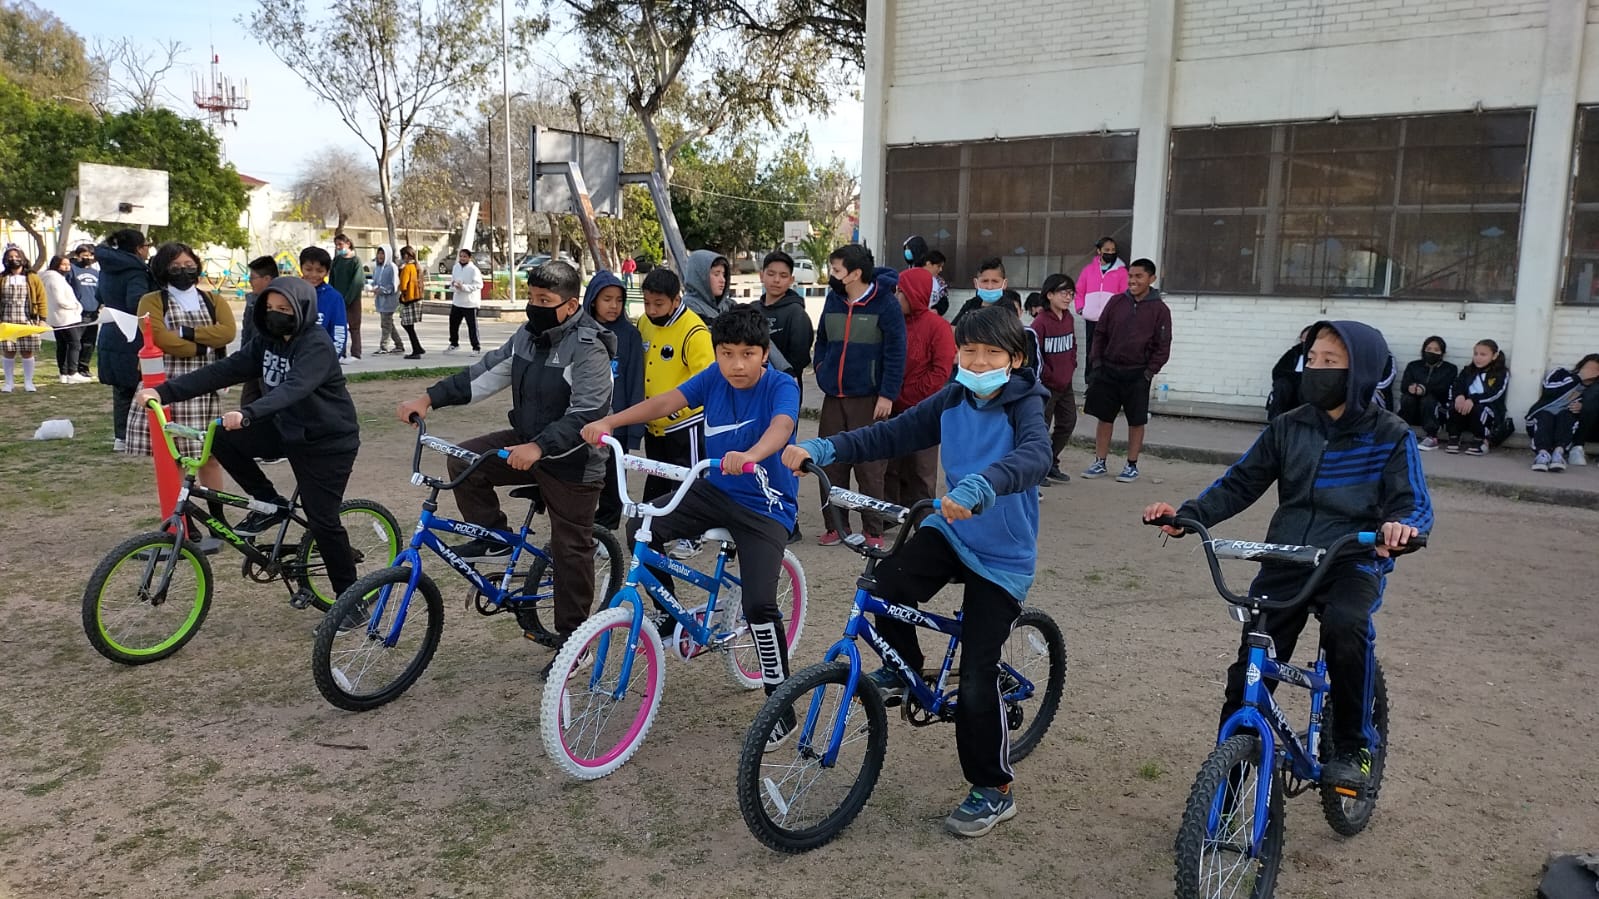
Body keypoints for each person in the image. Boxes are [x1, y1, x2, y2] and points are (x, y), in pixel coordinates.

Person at [786, 304, 1051, 837]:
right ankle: (904, 667)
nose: (977, 363)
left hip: (1001, 558)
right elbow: (893, 434)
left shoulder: (1025, 403)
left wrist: (987, 483)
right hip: (951, 532)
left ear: (1015, 359)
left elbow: (1035, 455)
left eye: (991, 353)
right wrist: (827, 445)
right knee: (885, 585)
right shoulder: (952, 396)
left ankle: (993, 789)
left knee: (978, 682)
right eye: (968, 352)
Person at [1143, 320, 1430, 795]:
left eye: (1330, 363)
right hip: (1289, 557)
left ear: (1360, 372)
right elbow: (1240, 482)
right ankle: (1228, 782)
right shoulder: (1289, 427)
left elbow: (1412, 501)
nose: (1315, 370)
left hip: (1350, 557)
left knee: (1345, 624)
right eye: (1312, 360)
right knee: (1251, 665)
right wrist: (1188, 516)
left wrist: (1402, 527)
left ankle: (1353, 746)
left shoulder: (1390, 435)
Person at [583, 305, 800, 728]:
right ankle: (668, 617)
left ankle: (781, 704)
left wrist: (752, 456)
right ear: (716, 353)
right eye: (727, 353)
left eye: (748, 354)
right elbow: (666, 402)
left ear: (765, 352)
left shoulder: (781, 384)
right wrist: (609, 420)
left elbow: (783, 426)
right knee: (642, 528)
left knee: (759, 605)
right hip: (714, 489)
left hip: (764, 504)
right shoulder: (714, 379)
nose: (737, 364)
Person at [397, 261, 615, 675]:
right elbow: (481, 376)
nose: (534, 307)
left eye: (544, 301)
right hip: (527, 446)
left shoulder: (589, 347)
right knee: (464, 458)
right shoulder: (527, 337)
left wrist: (538, 446)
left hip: (573, 461)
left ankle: (575, 643)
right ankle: (495, 535)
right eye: (531, 298)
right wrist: (428, 399)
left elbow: (586, 415)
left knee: (570, 548)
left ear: (570, 306)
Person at [132, 276, 362, 603]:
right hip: (285, 429)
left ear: (302, 309)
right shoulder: (265, 340)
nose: (275, 314)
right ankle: (270, 503)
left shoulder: (316, 345)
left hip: (326, 442)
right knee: (221, 436)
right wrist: (164, 392)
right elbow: (223, 370)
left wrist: (250, 413)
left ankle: (351, 601)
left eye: (284, 309)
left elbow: (292, 388)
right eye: (269, 307)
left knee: (322, 520)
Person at [124, 243, 237, 509]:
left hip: (206, 385)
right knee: (175, 458)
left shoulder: (213, 300)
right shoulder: (151, 301)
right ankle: (183, 518)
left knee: (210, 456)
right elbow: (161, 339)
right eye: (175, 267)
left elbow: (228, 332)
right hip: (169, 386)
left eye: (188, 266)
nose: (183, 271)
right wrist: (205, 345)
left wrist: (186, 333)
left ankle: (216, 518)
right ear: (163, 269)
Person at [812, 245, 906, 548]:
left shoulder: (886, 304)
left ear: (855, 274)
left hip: (870, 399)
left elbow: (896, 353)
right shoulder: (833, 299)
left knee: (870, 467)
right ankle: (835, 527)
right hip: (833, 398)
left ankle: (873, 531)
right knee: (830, 463)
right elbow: (822, 339)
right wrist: (822, 367)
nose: (832, 275)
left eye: (837, 270)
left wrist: (887, 395)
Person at [1082, 258, 1171, 483]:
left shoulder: (1159, 309)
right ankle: (1100, 461)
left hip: (1138, 373)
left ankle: (1131, 465)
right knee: (1104, 418)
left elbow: (1163, 345)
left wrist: (1149, 371)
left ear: (1151, 278)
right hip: (1109, 370)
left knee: (1136, 420)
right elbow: (1100, 333)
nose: (1133, 281)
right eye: (1130, 276)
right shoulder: (1116, 302)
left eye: (1138, 276)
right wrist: (1098, 363)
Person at [637, 267, 715, 509]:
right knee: (658, 475)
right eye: (647, 303)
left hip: (684, 424)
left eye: (658, 304)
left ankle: (692, 536)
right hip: (653, 422)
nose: (651, 310)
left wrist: (675, 411)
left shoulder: (695, 331)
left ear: (676, 300)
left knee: (688, 479)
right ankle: (652, 530)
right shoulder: (644, 323)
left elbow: (706, 381)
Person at [885, 267, 955, 509]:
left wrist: (908, 395)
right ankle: (890, 516)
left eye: (902, 292)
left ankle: (923, 518)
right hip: (892, 409)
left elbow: (940, 372)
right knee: (891, 466)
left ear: (915, 294)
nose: (896, 298)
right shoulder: (893, 324)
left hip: (924, 410)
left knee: (921, 469)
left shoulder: (938, 327)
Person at [583, 270, 643, 532]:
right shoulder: (580, 330)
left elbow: (635, 383)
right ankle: (583, 525)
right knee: (582, 477)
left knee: (612, 478)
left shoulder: (630, 336)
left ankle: (606, 529)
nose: (614, 305)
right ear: (594, 299)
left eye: (619, 300)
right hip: (583, 420)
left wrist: (633, 434)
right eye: (607, 299)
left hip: (616, 424)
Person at [95, 229, 155, 449]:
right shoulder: (136, 271)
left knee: (121, 390)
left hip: (111, 331)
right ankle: (137, 434)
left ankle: (120, 437)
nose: (148, 249)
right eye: (146, 245)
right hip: (133, 334)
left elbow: (98, 296)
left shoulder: (106, 269)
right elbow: (136, 302)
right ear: (139, 248)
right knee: (141, 387)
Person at [1029, 273, 1078, 484]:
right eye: (1063, 292)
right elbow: (1035, 354)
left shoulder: (1068, 318)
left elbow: (1073, 346)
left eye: (1071, 293)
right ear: (1049, 295)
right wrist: (1049, 376)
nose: (1068, 297)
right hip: (1047, 386)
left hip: (1065, 383)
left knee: (1068, 422)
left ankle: (1051, 462)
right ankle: (1038, 470)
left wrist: (1071, 366)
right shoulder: (1040, 323)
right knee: (1041, 427)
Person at [755, 251, 813, 404]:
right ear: (761, 275)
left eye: (783, 275)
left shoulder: (796, 313)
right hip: (752, 387)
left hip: (785, 387)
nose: (776, 280)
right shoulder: (751, 310)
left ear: (791, 280)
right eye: (771, 274)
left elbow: (800, 358)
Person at [1525, 355, 1599, 472]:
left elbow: (1589, 415)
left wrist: (1583, 408)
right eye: (1587, 368)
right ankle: (1542, 454)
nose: (1590, 372)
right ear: (1581, 365)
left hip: (1564, 424)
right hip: (1540, 418)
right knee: (1546, 415)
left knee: (1566, 415)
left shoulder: (1591, 392)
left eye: (1595, 371)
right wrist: (1578, 377)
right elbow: (1549, 388)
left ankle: (1558, 454)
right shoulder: (1560, 373)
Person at [1444, 338, 1510, 456]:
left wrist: (1473, 400)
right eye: (1476, 354)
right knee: (1454, 405)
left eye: (1483, 355)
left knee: (1478, 408)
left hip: (1488, 409)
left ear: (1494, 356)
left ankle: (1481, 439)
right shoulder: (1467, 370)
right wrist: (1459, 396)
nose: (1478, 358)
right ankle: (1454, 436)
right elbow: (1456, 385)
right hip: (1466, 407)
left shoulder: (1501, 373)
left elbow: (1496, 393)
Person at [1076, 237, 1127, 377]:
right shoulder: (1088, 270)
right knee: (1091, 350)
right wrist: (1080, 308)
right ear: (1099, 251)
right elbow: (1079, 290)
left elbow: (1124, 295)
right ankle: (1090, 381)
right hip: (1091, 318)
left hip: (1111, 320)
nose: (1110, 253)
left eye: (1113, 250)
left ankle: (1107, 382)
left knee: (1109, 350)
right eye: (1107, 250)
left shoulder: (1121, 272)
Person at [1, 244, 46, 393]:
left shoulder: (32, 277)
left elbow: (41, 299)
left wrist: (42, 318)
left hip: (27, 318)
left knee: (27, 351)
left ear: (22, 258)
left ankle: (28, 382)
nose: (13, 259)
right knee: (8, 351)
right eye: (10, 257)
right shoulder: (2, 278)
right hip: (7, 319)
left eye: (16, 256)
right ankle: (9, 383)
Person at [1400, 336, 1457, 450]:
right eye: (1429, 349)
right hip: (1414, 408)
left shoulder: (1450, 368)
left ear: (1442, 353)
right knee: (1407, 398)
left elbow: (1444, 388)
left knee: (1428, 399)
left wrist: (1424, 389)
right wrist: (1412, 388)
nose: (1432, 352)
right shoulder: (1413, 365)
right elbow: (1404, 386)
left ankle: (1432, 437)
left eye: (1436, 350)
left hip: (1435, 410)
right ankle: (1401, 432)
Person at [239, 255, 280, 408]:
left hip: (270, 364)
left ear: (267, 279)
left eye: (253, 277)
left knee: (269, 405)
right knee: (248, 405)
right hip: (252, 363)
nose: (249, 281)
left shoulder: (278, 303)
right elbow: (246, 332)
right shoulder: (251, 301)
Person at [42, 255, 89, 384]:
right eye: (63, 264)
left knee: (62, 345)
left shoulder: (51, 278)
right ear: (56, 264)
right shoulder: (54, 279)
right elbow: (60, 300)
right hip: (66, 317)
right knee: (74, 343)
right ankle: (72, 372)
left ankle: (63, 373)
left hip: (57, 317)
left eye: (68, 264)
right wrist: (75, 306)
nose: (67, 267)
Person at [298, 246, 349, 359]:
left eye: (320, 271)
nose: (314, 275)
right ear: (301, 267)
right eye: (308, 269)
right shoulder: (290, 292)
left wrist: (330, 361)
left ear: (327, 272)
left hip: (320, 361)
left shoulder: (334, 298)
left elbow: (339, 334)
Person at [329, 234, 364, 360]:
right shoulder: (337, 261)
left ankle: (356, 353)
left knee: (354, 326)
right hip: (337, 299)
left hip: (352, 300)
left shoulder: (356, 261)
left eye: (340, 245)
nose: (339, 248)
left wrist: (347, 299)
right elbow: (331, 279)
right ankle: (340, 352)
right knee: (339, 327)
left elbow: (357, 282)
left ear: (348, 243)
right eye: (337, 245)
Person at [1266, 327, 1312, 419]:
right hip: (1289, 384)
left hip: (1306, 384)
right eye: (1303, 338)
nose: (1305, 341)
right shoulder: (1293, 353)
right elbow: (1277, 371)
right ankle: (1275, 419)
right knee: (1281, 385)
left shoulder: (1316, 355)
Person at [68, 243, 99, 378]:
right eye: (84, 255)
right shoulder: (72, 270)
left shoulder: (96, 273)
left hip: (93, 313)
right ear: (78, 256)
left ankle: (84, 367)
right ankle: (71, 368)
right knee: (76, 342)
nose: (88, 258)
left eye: (90, 255)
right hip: (77, 313)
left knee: (89, 342)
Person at [679, 248, 733, 323]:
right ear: (700, 276)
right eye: (716, 274)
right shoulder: (689, 307)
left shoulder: (728, 305)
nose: (723, 280)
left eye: (724, 275)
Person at [951, 257, 1007, 328]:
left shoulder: (1009, 309)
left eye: (995, 281)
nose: (989, 287)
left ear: (1004, 283)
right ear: (976, 283)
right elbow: (953, 328)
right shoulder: (970, 305)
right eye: (985, 281)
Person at [447, 248, 484, 353]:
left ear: (469, 258)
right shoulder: (456, 267)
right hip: (457, 301)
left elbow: (479, 285)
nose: (462, 258)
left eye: (465, 256)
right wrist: (454, 286)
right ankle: (454, 343)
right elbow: (453, 280)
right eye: (461, 256)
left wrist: (464, 287)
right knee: (453, 323)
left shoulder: (474, 270)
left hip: (470, 303)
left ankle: (476, 347)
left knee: (472, 326)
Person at [371, 245, 402, 354]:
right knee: (388, 324)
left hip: (389, 300)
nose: (380, 256)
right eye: (379, 253)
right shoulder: (378, 267)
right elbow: (375, 281)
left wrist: (383, 290)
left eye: (383, 253)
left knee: (385, 324)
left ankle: (384, 346)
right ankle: (399, 345)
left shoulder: (392, 267)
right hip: (380, 300)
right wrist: (373, 288)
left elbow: (394, 285)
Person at [397, 245, 426, 359]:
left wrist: (402, 293)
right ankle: (418, 347)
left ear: (406, 255)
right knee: (409, 325)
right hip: (417, 299)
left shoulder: (407, 267)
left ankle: (416, 350)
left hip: (408, 299)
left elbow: (403, 285)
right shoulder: (417, 267)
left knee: (407, 324)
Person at [925, 249, 949, 317]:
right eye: (938, 266)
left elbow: (944, 302)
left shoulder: (940, 281)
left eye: (942, 267)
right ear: (928, 264)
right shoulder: (915, 278)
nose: (941, 269)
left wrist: (936, 310)